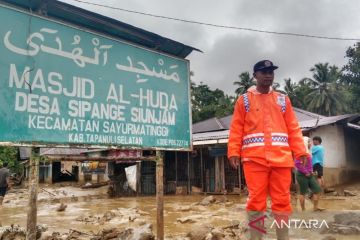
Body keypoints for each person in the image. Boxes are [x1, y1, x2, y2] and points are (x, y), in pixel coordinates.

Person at [228, 60, 309, 240]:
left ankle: (283, 237)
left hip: (281, 160)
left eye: (271, 72)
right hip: (253, 159)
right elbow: (236, 128)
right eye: (263, 72)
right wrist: (233, 151)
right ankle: (257, 238)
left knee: (282, 200)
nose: (268, 75)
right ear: (255, 75)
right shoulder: (244, 100)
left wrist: (301, 151)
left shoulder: (283, 99)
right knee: (256, 200)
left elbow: (293, 128)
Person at [295, 137, 322, 211]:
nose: (311, 144)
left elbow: (309, 164)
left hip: (310, 175)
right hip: (302, 175)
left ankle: (315, 208)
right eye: (309, 142)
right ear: (305, 143)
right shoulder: (301, 152)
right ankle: (303, 209)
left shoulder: (308, 151)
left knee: (317, 190)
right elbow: (297, 164)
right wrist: (306, 172)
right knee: (302, 192)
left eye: (310, 142)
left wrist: (311, 171)